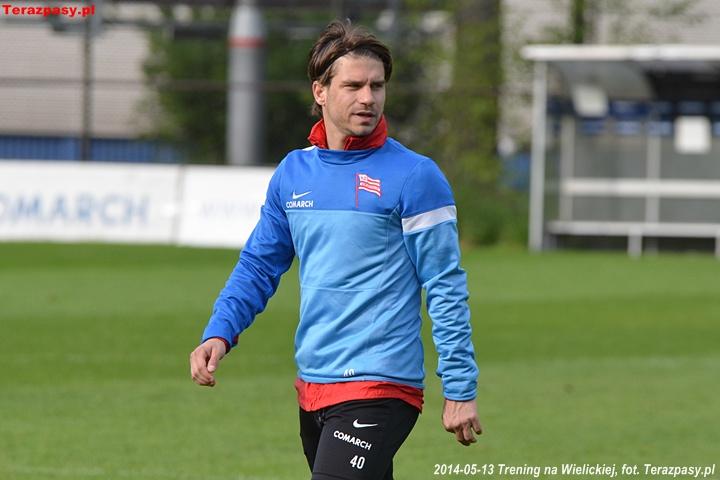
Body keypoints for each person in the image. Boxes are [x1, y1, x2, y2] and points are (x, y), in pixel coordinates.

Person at [190, 19, 481, 480]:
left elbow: (445, 285)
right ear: (321, 91)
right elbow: (259, 265)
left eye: (377, 86)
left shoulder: (415, 176)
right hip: (314, 383)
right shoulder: (293, 174)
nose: (368, 98)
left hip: (381, 385)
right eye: (353, 86)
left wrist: (460, 386)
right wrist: (220, 331)